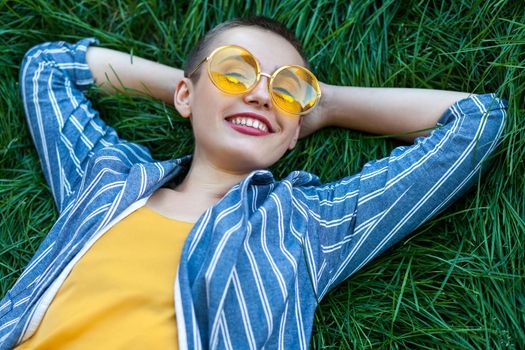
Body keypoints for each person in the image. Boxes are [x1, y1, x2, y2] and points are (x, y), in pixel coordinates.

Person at [0, 16, 506, 349]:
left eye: (289, 89)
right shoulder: (106, 180)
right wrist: (192, 88)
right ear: (184, 94)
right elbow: (49, 69)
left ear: (295, 134)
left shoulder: (303, 226)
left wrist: (324, 105)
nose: (263, 96)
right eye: (236, 72)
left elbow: (475, 122)